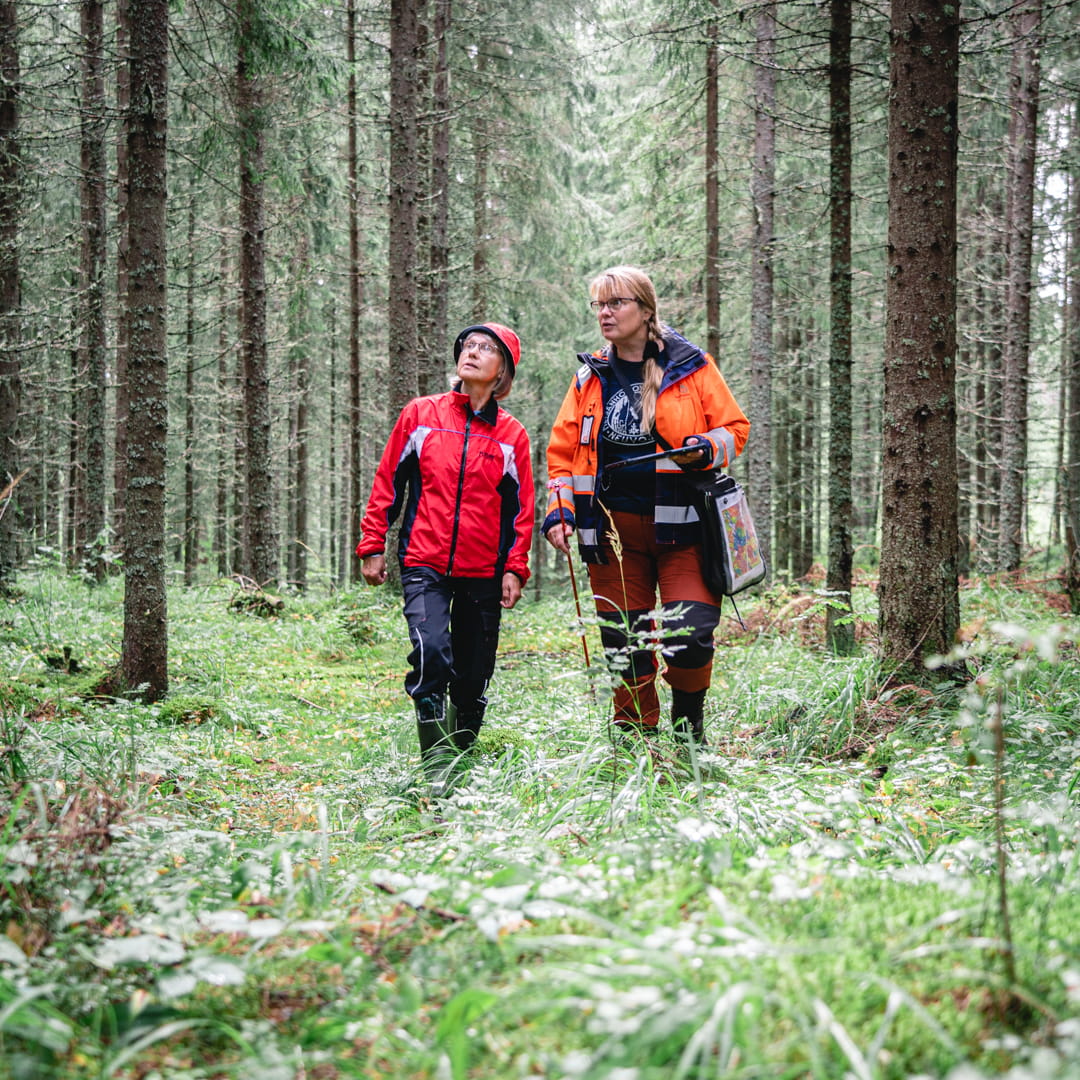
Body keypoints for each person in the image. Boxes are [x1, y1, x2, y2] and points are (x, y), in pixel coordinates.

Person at [543, 267, 749, 745]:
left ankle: (688, 731)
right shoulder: (589, 376)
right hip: (610, 535)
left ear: (646, 309)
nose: (605, 313)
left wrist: (705, 447)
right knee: (624, 642)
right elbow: (562, 453)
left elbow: (734, 429)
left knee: (690, 633)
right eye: (598, 304)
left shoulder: (691, 366)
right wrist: (560, 510)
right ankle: (637, 739)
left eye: (615, 303)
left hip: (686, 530)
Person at [358, 323, 533, 792]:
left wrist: (515, 566)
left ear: (503, 372)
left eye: (486, 349)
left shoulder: (512, 435)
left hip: (484, 572)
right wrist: (373, 543)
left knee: (473, 677)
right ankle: (437, 772)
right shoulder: (421, 415)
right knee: (432, 653)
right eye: (467, 346)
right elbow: (388, 482)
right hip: (424, 562)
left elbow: (522, 510)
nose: (472, 353)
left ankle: (460, 766)